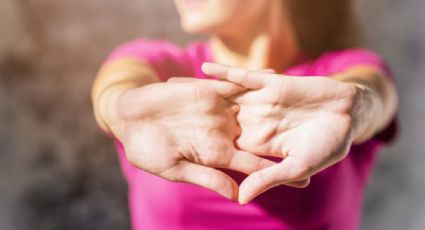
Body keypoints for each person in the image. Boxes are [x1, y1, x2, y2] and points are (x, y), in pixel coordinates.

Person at [91, 0, 398, 229]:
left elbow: (371, 91)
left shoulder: (336, 78)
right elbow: (118, 84)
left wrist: (358, 107)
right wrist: (118, 107)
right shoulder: (158, 70)